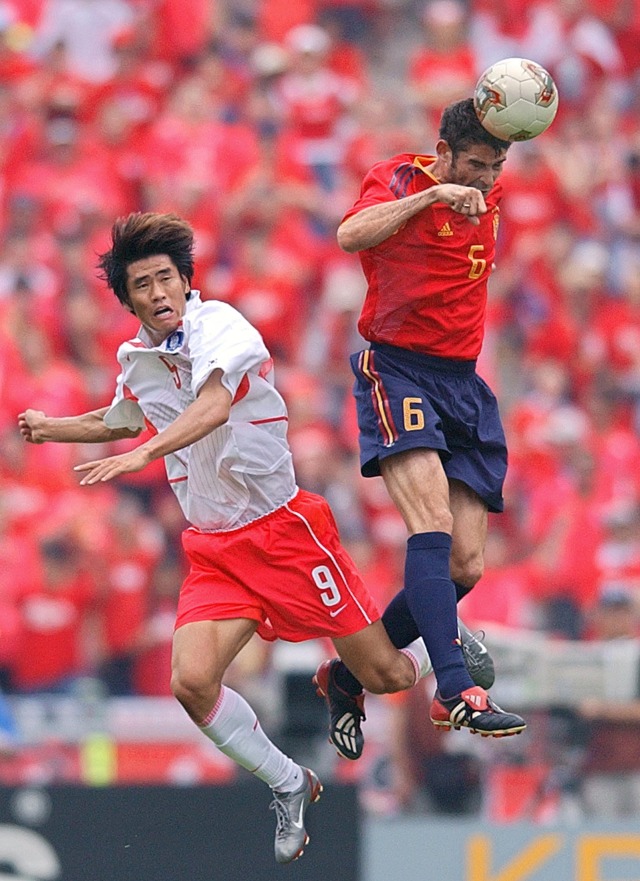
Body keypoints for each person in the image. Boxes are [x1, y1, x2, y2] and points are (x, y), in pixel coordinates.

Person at [17, 211, 438, 865]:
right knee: (191, 681)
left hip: (285, 531)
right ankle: (288, 780)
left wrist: (143, 455)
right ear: (127, 299)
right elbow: (121, 416)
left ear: (186, 280)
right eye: (142, 285)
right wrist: (52, 427)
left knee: (383, 674)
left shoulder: (222, 327)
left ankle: (444, 644)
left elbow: (212, 403)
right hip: (216, 547)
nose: (158, 293)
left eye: (165, 278)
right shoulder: (140, 358)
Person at [314, 98, 526, 759]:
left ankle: (347, 675)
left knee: (466, 562)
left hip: (464, 384)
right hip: (398, 369)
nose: (485, 179)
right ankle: (455, 687)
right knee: (429, 524)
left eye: (494, 167)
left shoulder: (491, 194)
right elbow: (351, 235)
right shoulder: (404, 180)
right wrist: (431, 201)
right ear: (444, 153)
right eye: (474, 165)